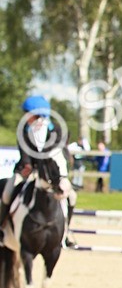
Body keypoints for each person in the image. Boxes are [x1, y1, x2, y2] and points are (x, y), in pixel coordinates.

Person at [0, 95, 77, 246]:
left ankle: (67, 231)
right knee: (8, 192)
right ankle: (2, 227)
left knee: (72, 196)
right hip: (28, 171)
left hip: (51, 174)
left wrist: (47, 168)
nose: (25, 117)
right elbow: (25, 154)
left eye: (28, 113)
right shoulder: (23, 130)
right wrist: (29, 165)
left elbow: (58, 152)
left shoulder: (56, 129)